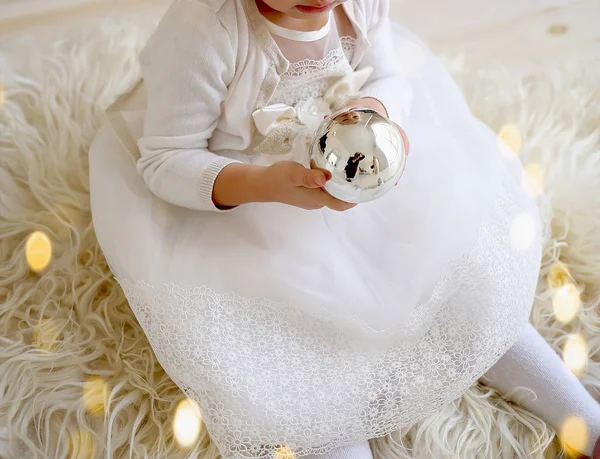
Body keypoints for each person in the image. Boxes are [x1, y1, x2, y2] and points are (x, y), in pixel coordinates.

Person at [88, 0, 600, 457]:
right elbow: (165, 161)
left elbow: (390, 78)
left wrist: (373, 117)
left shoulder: (357, 6)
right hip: (243, 195)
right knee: (299, 378)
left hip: (351, 166)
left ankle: (587, 421)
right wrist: (265, 184)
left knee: (465, 299)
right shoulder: (206, 32)